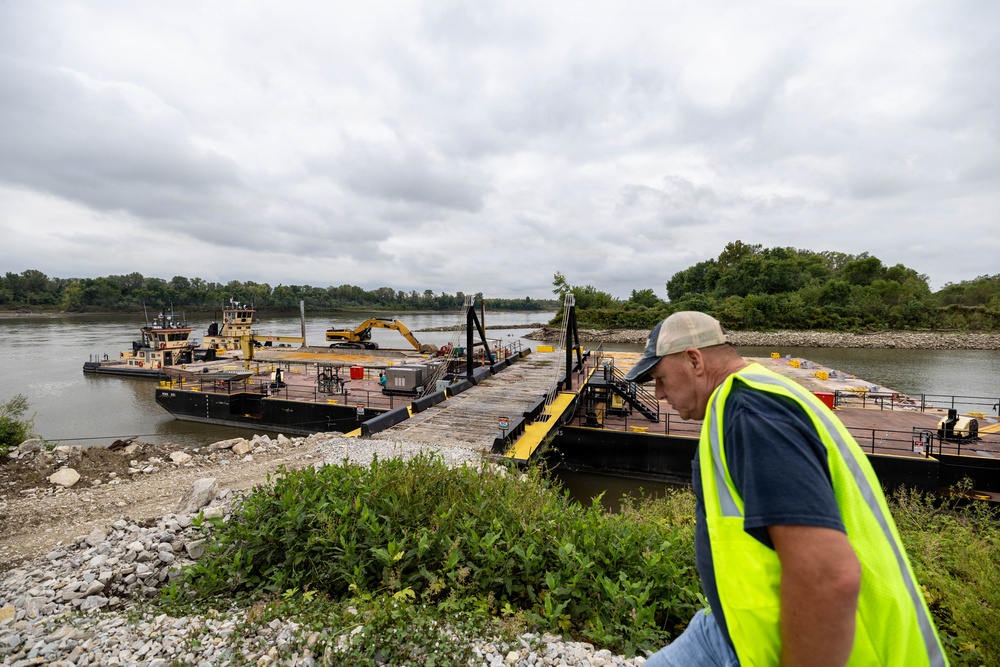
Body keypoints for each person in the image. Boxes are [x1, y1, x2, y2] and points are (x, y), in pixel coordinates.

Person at [625, 311, 947, 667]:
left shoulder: (751, 413)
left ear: (694, 360)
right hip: (735, 630)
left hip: (809, 649)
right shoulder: (753, 394)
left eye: (660, 378)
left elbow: (826, 577)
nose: (658, 393)